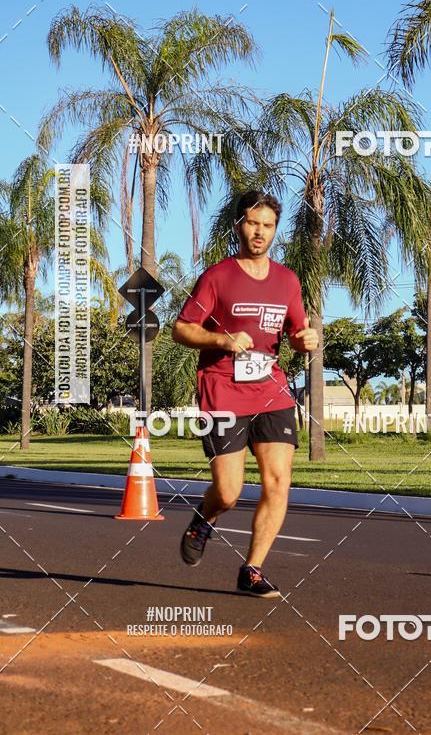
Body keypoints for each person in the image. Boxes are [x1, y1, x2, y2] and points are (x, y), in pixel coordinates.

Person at [172, 191, 318, 598]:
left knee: (278, 482)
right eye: (253, 223)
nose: (260, 232)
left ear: (274, 230)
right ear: (239, 225)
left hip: (271, 392)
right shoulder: (217, 277)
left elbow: (296, 331)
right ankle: (206, 515)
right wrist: (219, 338)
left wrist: (308, 339)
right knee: (230, 492)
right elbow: (181, 329)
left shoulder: (288, 280)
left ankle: (251, 569)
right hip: (222, 390)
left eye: (268, 225)